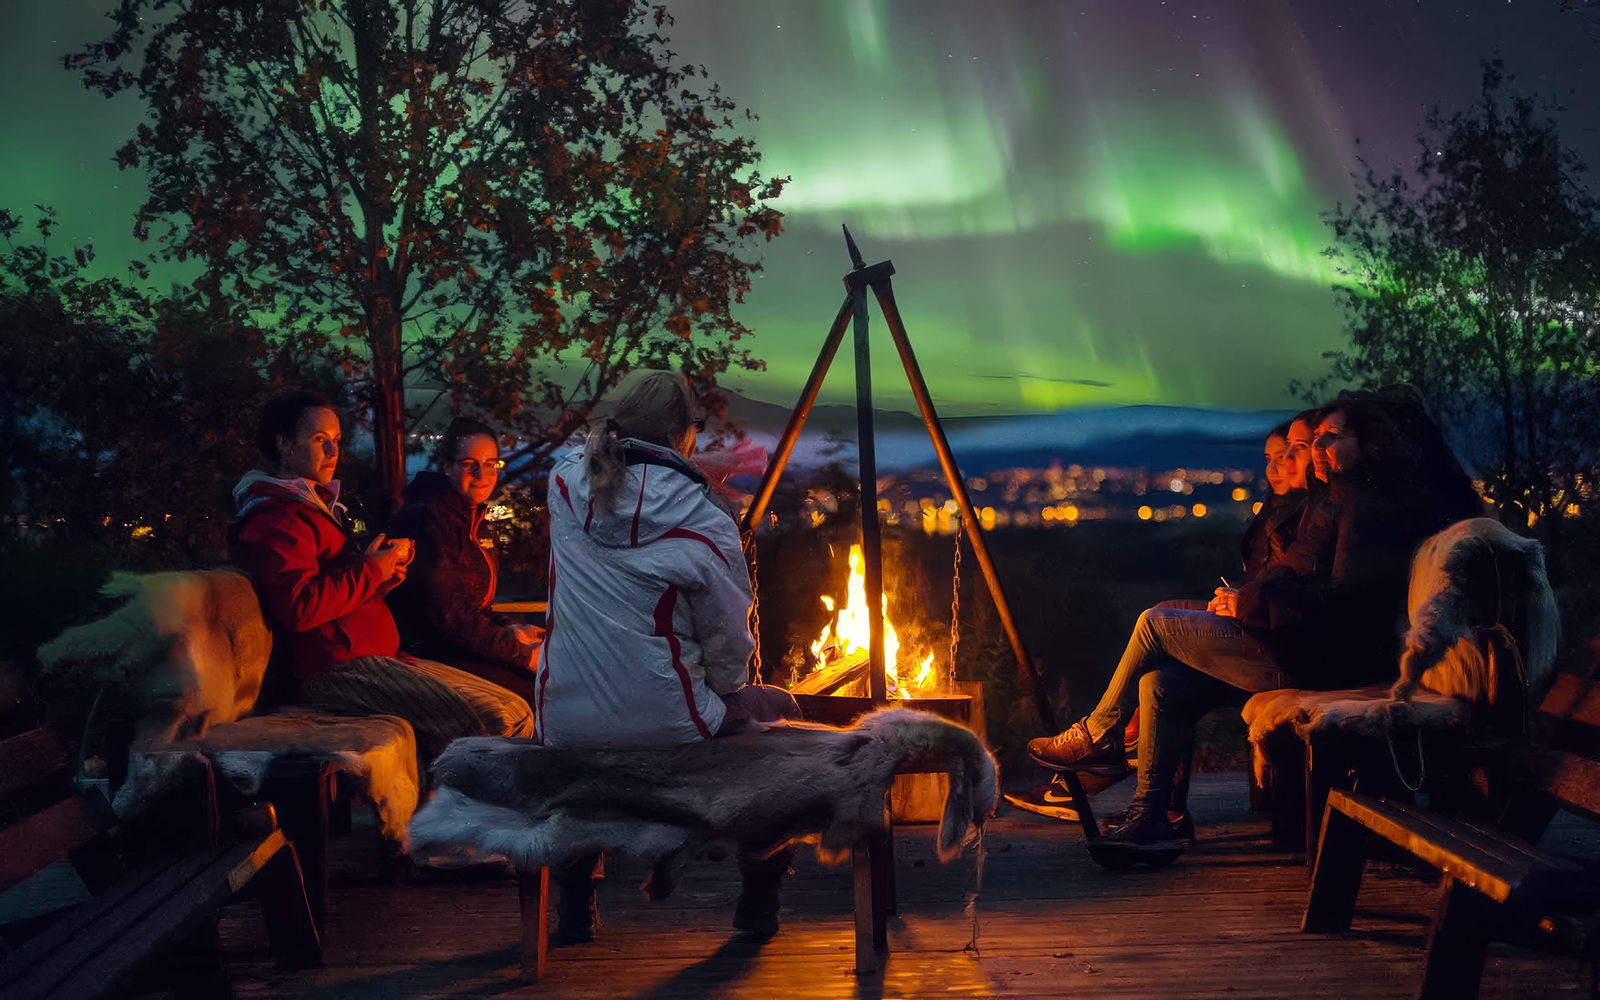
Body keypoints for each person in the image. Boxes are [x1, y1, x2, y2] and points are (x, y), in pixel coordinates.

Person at [1030, 397, 1435, 847]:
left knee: (1154, 623)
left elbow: (1339, 606)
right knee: (1160, 684)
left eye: (1329, 438)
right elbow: (1294, 582)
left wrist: (1249, 605)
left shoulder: (1360, 508)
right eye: (1314, 439)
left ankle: (1099, 734)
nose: (1317, 449)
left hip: (1313, 661)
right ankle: (1153, 814)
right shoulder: (1334, 504)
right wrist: (1246, 599)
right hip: (1292, 643)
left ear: (1368, 444)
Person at [535, 368, 800, 941]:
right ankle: (760, 899)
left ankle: (575, 906)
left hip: (564, 721)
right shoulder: (707, 521)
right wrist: (728, 693)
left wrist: (669, 464)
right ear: (687, 433)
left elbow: (580, 453)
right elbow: (730, 645)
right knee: (782, 722)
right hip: (669, 724)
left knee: (586, 765)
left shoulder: (564, 487)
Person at [228, 392, 536, 761]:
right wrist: (370, 570)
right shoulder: (278, 517)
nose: (332, 452)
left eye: (337, 441)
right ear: (284, 443)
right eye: (319, 439)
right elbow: (299, 608)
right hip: (337, 667)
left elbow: (338, 590)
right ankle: (459, 815)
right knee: (499, 719)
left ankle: (451, 804)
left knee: (517, 710)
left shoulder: (313, 507)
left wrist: (382, 577)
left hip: (374, 653)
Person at [386, 418, 543, 702]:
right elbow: (446, 613)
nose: (482, 474)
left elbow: (471, 604)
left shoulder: (473, 518)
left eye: (491, 463)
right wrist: (519, 652)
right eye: (470, 464)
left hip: (455, 648)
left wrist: (508, 629)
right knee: (533, 695)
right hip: (424, 654)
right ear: (446, 466)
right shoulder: (429, 518)